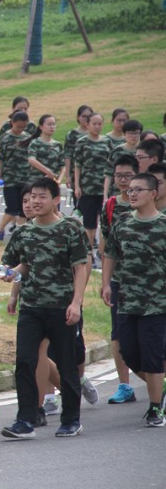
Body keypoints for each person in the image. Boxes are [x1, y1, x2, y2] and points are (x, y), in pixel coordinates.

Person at [0, 177, 88, 440]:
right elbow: (22, 265)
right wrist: (10, 275)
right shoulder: (24, 231)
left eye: (42, 197)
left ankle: (71, 419)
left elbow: (80, 268)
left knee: (66, 363)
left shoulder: (70, 229)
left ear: (55, 200)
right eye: (32, 197)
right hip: (32, 307)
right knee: (24, 361)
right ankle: (25, 420)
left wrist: (76, 303)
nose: (35, 202)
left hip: (62, 307)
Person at [102, 173, 166, 427]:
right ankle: (158, 387)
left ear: (153, 194)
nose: (132, 194)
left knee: (152, 356)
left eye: (139, 190)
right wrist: (106, 283)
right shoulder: (123, 222)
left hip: (157, 303)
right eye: (130, 190)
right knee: (128, 352)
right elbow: (110, 253)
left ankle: (154, 408)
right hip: (127, 299)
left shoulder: (163, 225)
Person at [99, 154, 138, 405]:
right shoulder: (111, 205)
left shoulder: (146, 201)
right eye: (118, 176)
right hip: (119, 280)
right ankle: (124, 385)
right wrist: (105, 281)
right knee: (117, 334)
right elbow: (104, 245)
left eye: (128, 175)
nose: (123, 181)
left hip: (148, 281)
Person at [73, 112, 111, 255]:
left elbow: (110, 164)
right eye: (94, 124)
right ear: (87, 124)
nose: (97, 126)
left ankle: (101, 251)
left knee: (104, 220)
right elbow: (78, 165)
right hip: (87, 188)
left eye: (100, 124)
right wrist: (77, 186)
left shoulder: (107, 141)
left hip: (104, 188)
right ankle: (88, 251)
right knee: (89, 221)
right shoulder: (82, 142)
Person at [0, 111, 32, 240]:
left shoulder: (28, 138)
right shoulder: (5, 138)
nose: (21, 129)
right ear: (12, 123)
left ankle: (19, 234)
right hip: (10, 179)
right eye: (18, 126)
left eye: (23, 127)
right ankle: (0, 227)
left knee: (24, 209)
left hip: (26, 178)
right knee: (12, 208)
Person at [103, 119, 141, 198]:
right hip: (118, 193)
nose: (133, 136)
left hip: (138, 193)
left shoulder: (143, 152)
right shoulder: (117, 151)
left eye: (136, 133)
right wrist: (105, 195)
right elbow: (108, 174)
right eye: (130, 133)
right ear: (124, 134)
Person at [64, 105, 93, 202]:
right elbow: (68, 155)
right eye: (84, 116)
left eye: (89, 116)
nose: (86, 119)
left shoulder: (95, 134)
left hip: (92, 174)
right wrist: (67, 175)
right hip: (76, 174)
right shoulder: (72, 134)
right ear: (78, 117)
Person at [24, 114, 65, 183]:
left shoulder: (58, 145)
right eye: (49, 124)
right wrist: (48, 171)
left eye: (53, 124)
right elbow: (32, 160)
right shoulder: (35, 143)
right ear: (41, 127)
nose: (52, 127)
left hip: (52, 182)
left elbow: (63, 165)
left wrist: (59, 180)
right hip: (36, 182)